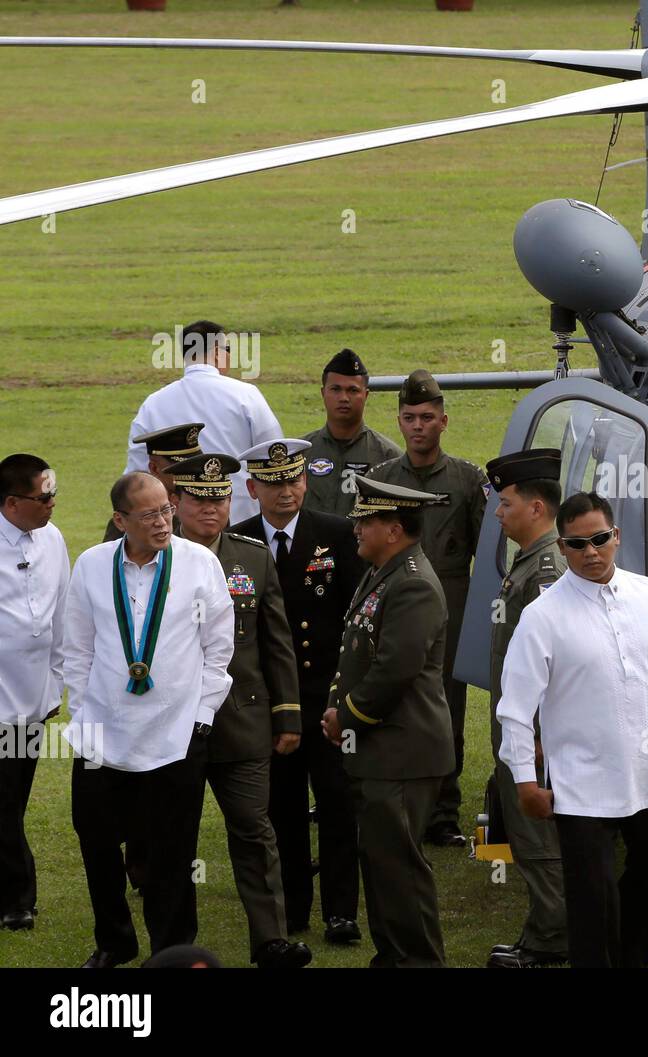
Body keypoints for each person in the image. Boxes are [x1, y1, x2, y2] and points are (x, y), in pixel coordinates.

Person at [497, 491, 648, 970]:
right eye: (578, 544)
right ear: (562, 548)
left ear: (617, 536)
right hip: (582, 786)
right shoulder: (542, 616)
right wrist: (525, 781)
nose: (591, 552)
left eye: (600, 540)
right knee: (592, 903)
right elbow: (515, 708)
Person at [62, 472, 234, 967]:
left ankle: (173, 948)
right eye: (149, 514)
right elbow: (77, 645)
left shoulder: (199, 563)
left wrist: (202, 715)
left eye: (166, 509)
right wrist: (84, 707)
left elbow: (218, 646)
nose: (163, 521)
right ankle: (113, 943)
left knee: (172, 851)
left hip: (176, 733)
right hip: (102, 733)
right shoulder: (93, 565)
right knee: (95, 840)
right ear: (120, 520)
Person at [169, 452, 311, 968]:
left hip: (242, 718)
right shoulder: (154, 558)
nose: (212, 508)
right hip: (173, 725)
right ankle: (176, 943)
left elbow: (277, 642)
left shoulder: (251, 556)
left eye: (220, 497)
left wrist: (289, 714)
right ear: (176, 502)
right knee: (174, 837)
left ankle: (270, 940)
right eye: (200, 499)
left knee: (254, 830)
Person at [233, 438, 365, 945]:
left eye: (292, 479)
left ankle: (341, 911)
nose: (284, 491)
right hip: (268, 702)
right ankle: (292, 908)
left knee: (337, 805)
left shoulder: (336, 534)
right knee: (280, 810)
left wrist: (343, 698)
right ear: (252, 488)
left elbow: (356, 619)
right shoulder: (238, 542)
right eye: (272, 482)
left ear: (305, 482)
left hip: (327, 697)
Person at [321, 475, 456, 968]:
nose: (355, 528)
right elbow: (358, 652)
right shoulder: (385, 571)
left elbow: (394, 668)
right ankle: (393, 957)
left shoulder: (413, 583)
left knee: (399, 866)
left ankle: (417, 961)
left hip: (402, 751)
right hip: (382, 750)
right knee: (381, 863)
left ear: (393, 529)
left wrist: (346, 716)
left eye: (365, 520)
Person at [370, 369, 487, 847]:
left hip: (451, 607)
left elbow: (487, 551)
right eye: (409, 417)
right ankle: (396, 807)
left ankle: (443, 813)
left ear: (444, 421)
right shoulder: (379, 481)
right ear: (398, 422)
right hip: (393, 605)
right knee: (393, 705)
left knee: (445, 710)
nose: (418, 425)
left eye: (427, 417)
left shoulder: (466, 479)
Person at [483, 448, 568, 969]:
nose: (498, 512)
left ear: (536, 508)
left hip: (535, 741)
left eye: (506, 502)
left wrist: (534, 736)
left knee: (541, 839)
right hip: (526, 735)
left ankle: (551, 940)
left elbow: (552, 659)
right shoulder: (532, 562)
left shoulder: (546, 570)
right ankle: (545, 929)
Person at [0, 454, 69, 932]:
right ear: (10, 503)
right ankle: (18, 898)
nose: (51, 504)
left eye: (53, 494)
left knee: (14, 799)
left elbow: (61, 610)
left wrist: (59, 683)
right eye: (42, 498)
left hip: (34, 701)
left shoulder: (54, 538)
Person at [125, 320, 281, 524]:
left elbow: (137, 476)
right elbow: (274, 456)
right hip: (241, 520)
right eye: (228, 349)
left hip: (176, 525)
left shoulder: (153, 403)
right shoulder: (245, 395)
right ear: (217, 352)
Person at [301, 349, 401, 518]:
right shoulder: (301, 453)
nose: (344, 398)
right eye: (335, 389)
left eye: (353, 390)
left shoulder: (388, 457)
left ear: (366, 395)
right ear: (323, 393)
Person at [104, 422, 203, 543]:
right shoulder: (131, 517)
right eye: (182, 469)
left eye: (195, 467)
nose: (193, 473)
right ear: (154, 468)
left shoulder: (206, 506)